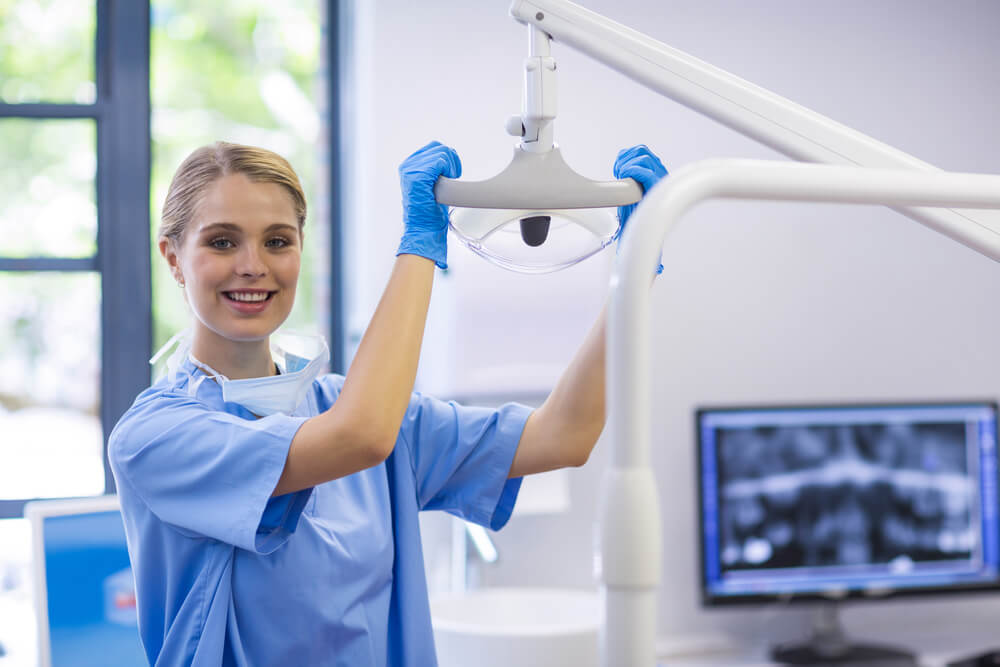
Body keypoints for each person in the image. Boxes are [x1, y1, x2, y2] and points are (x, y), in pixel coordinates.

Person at [108, 139, 667, 666]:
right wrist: (419, 244)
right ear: (174, 258)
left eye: (277, 240)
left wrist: (633, 272)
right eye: (222, 241)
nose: (253, 265)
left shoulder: (347, 406)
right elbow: (360, 436)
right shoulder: (156, 437)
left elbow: (563, 436)